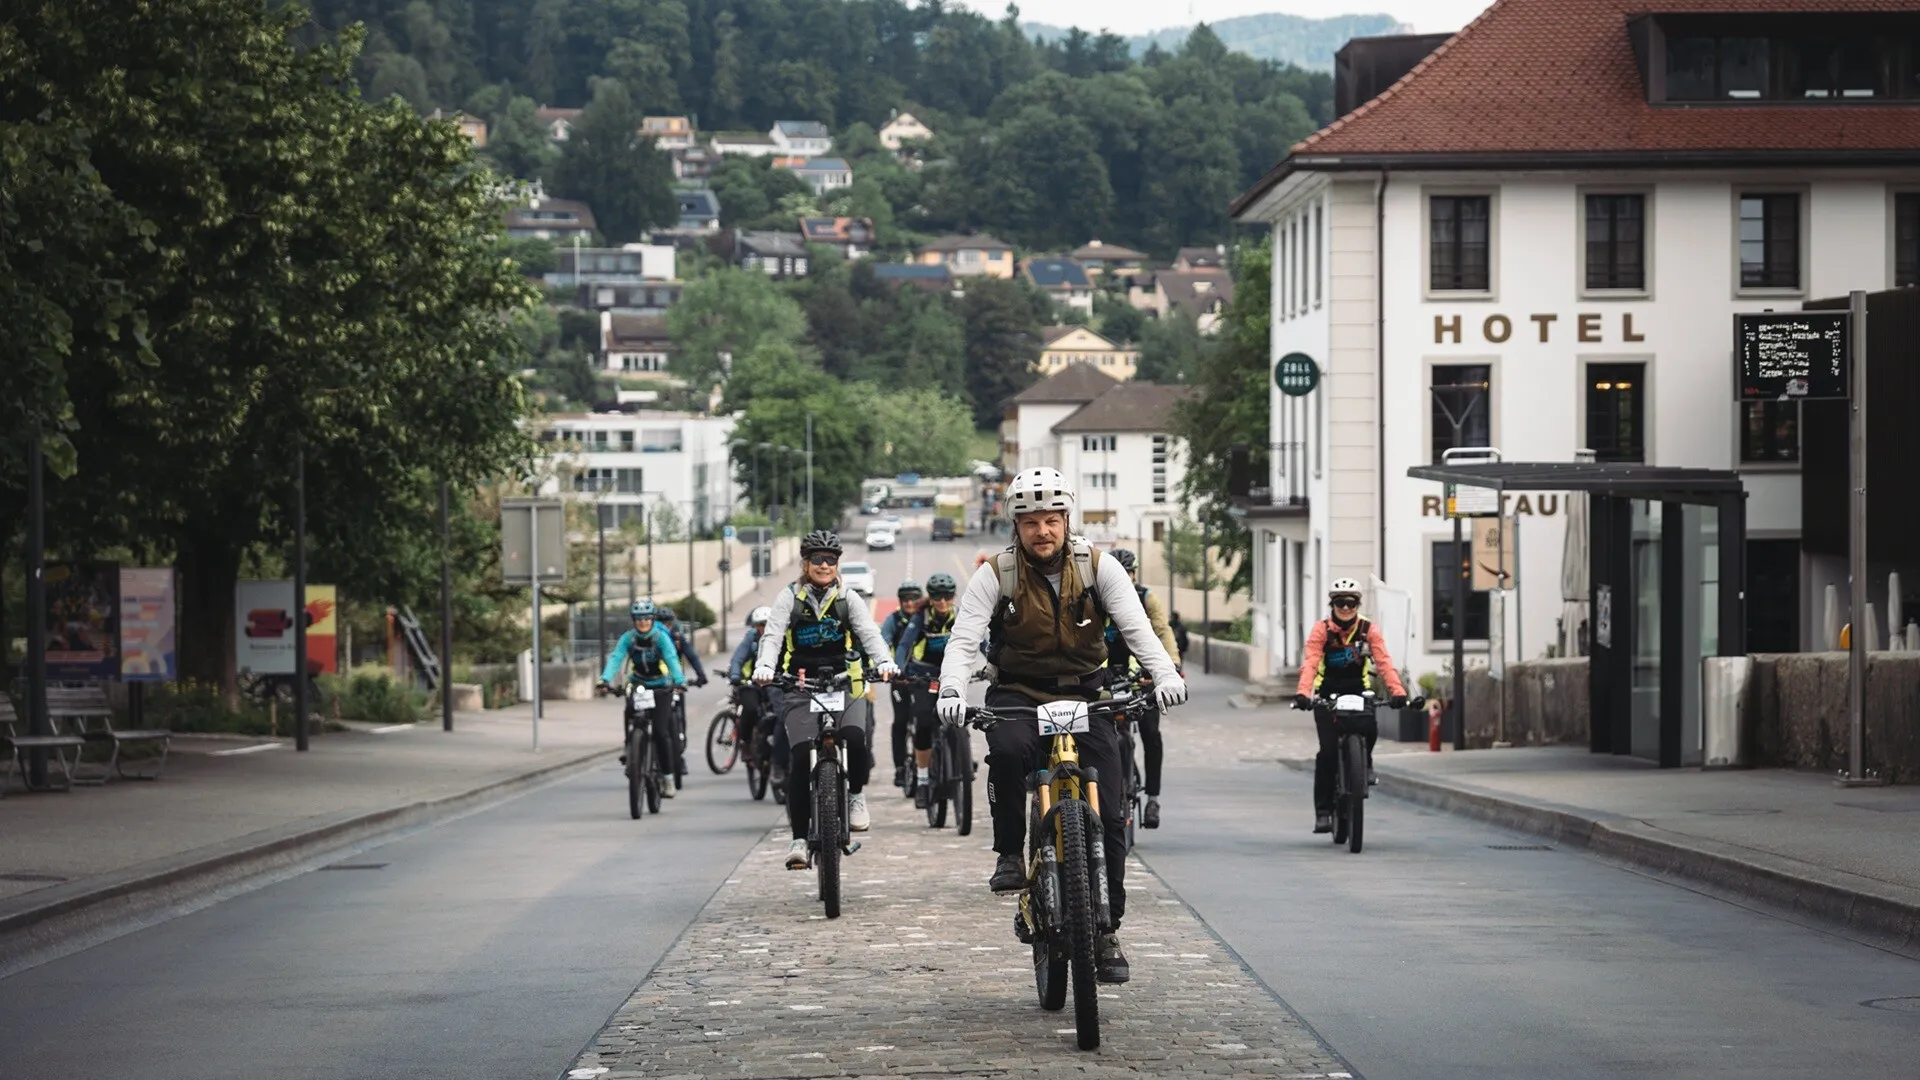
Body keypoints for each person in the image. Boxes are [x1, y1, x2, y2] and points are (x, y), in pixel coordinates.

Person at [934, 468, 1186, 985]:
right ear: (1016, 525)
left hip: (1087, 692)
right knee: (1005, 752)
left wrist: (1163, 674)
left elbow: (1138, 629)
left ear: (1066, 520)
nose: (1042, 531)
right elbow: (963, 641)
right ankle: (1009, 852)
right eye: (1030, 522)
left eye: (1051, 520)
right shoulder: (995, 573)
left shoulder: (1100, 566)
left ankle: (1107, 927)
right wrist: (953, 690)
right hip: (1019, 691)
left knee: (1111, 812)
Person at [754, 530, 897, 870]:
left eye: (830, 560)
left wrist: (884, 662)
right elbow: (773, 636)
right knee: (801, 756)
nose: (823, 565)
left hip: (844, 681)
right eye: (816, 559)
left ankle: (856, 795)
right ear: (805, 563)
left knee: (855, 739)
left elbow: (868, 633)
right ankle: (799, 838)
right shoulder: (789, 598)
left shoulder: (849, 598)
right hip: (800, 685)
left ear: (837, 565)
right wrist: (764, 666)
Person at [1293, 579, 1407, 834]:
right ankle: (1323, 812)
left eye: (1351, 602)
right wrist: (1303, 693)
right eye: (1339, 602)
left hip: (1358, 689)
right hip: (1327, 692)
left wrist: (1398, 692)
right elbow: (1311, 661)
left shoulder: (1369, 630)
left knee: (1370, 726)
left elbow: (1384, 662)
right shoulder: (1321, 630)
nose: (1345, 607)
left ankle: (1364, 764)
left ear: (1358, 604)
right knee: (1327, 752)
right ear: (1332, 604)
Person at [1104, 548, 1181, 830]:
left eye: (1128, 573)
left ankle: (1153, 798)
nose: (1123, 578)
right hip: (1110, 671)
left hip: (1143, 674)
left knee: (1151, 732)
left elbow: (1162, 631)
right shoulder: (1099, 597)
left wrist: (1170, 665)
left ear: (1134, 575)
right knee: (1111, 733)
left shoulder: (1146, 598)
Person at [598, 600, 687, 797]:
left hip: (661, 686)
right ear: (633, 621)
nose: (643, 622)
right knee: (631, 713)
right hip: (639, 684)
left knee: (660, 732)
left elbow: (672, 658)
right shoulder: (628, 639)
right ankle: (630, 746)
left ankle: (667, 778)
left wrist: (679, 680)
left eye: (646, 618)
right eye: (638, 619)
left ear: (652, 618)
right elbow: (616, 658)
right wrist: (604, 679)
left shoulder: (661, 637)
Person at [893, 572, 959, 810]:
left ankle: (959, 754)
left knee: (961, 716)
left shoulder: (959, 616)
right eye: (937, 597)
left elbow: (981, 642)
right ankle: (922, 780)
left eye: (948, 596)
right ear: (930, 598)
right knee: (923, 722)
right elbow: (904, 645)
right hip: (923, 675)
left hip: (951, 673)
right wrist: (899, 670)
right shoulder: (921, 618)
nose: (943, 602)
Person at [878, 580, 926, 792]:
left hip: (924, 678)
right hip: (900, 680)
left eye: (914, 599)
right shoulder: (893, 620)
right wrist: (887, 667)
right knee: (900, 721)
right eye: (905, 599)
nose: (909, 603)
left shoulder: (925, 617)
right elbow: (883, 641)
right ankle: (899, 767)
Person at [728, 605, 781, 788]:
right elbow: (738, 659)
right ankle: (746, 742)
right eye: (760, 625)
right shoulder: (751, 639)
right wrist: (735, 676)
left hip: (776, 683)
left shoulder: (781, 637)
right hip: (754, 683)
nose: (763, 628)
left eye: (766, 624)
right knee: (750, 709)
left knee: (781, 714)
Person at [657, 607, 707, 788]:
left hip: (675, 684)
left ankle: (678, 755)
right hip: (654, 684)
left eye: (667, 623)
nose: (665, 626)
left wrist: (701, 675)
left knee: (679, 719)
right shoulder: (651, 638)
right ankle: (631, 749)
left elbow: (691, 656)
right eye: (661, 623)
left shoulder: (677, 639)